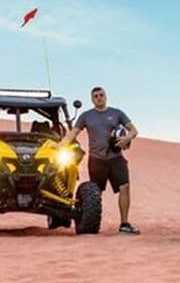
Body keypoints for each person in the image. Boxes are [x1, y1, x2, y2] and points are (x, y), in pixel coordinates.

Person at [58, 86, 140, 234]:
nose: (99, 98)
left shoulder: (117, 113)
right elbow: (74, 132)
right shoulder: (86, 116)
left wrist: (126, 138)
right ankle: (91, 223)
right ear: (92, 99)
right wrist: (61, 145)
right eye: (95, 96)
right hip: (97, 160)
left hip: (116, 158)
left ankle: (124, 223)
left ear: (106, 96)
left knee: (124, 187)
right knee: (95, 192)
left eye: (101, 95)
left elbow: (134, 130)